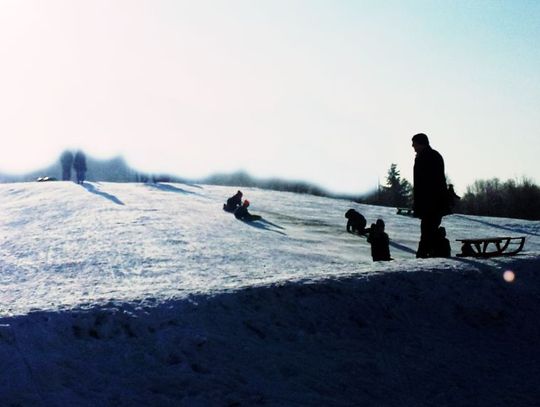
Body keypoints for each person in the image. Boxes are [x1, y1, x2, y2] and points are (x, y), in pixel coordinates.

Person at [412, 133, 449, 258]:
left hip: (431, 203)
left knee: (427, 231)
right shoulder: (430, 156)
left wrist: (421, 203)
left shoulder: (427, 157)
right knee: (428, 230)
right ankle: (430, 254)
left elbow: (426, 183)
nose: (413, 146)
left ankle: (422, 256)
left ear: (421, 143)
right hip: (433, 202)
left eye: (415, 143)